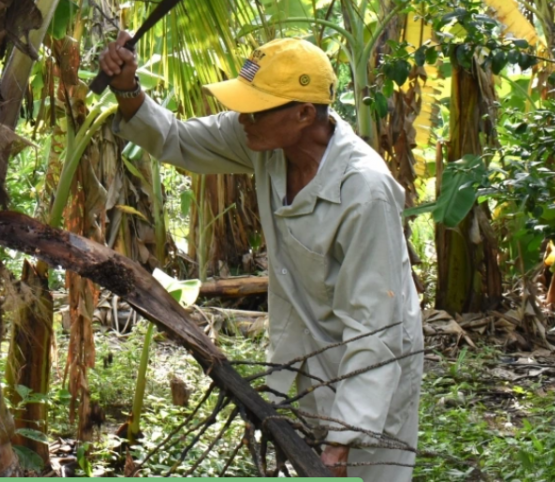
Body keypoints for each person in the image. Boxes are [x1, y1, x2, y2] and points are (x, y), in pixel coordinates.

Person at [99, 33, 423, 481]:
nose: (242, 117)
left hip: (372, 371)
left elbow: (376, 326)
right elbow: (176, 138)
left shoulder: (365, 191)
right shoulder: (263, 139)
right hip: (306, 355)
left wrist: (344, 436)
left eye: (255, 106)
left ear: (305, 113)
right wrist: (128, 88)